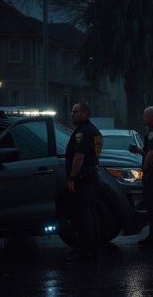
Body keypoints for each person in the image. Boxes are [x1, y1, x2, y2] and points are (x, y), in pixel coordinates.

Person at [65, 102, 103, 262]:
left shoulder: (83, 132)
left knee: (82, 214)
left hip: (83, 177)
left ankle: (84, 250)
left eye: (75, 111)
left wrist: (72, 178)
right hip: (92, 173)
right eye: (72, 111)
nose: (72, 114)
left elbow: (79, 157)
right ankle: (94, 246)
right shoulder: (94, 130)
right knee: (90, 212)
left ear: (85, 114)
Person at [129, 106, 153, 248]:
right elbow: (148, 152)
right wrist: (138, 150)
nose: (143, 117)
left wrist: (144, 169)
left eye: (145, 115)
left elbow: (152, 154)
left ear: (152, 117)